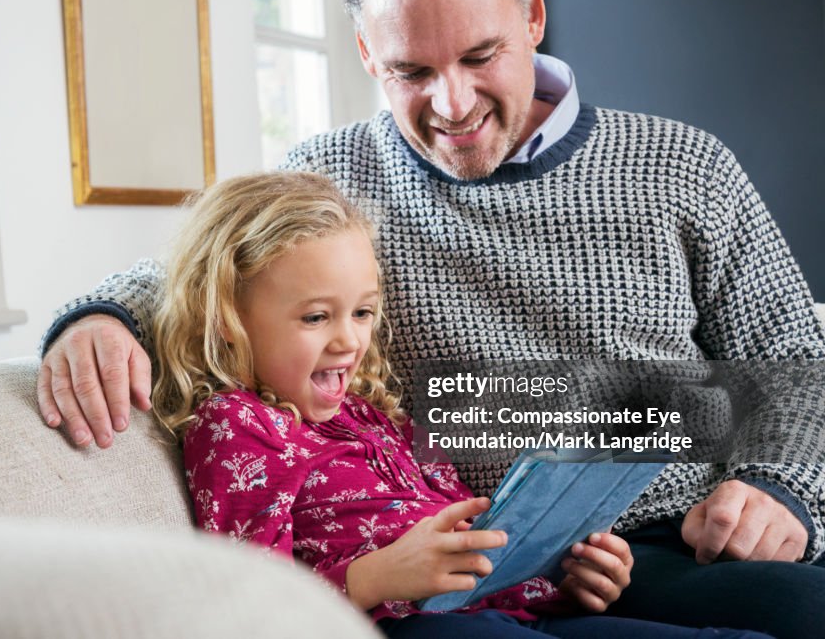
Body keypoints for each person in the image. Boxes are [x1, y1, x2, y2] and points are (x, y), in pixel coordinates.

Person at [36, 0, 825, 636]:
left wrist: (778, 488)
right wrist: (103, 315)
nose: (452, 105)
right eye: (411, 71)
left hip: (667, 544)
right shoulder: (334, 176)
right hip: (457, 572)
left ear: (533, 14)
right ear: (366, 53)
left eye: (481, 56)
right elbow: (212, 260)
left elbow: (796, 358)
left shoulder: (685, 167)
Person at [152, 169, 770, 638]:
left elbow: (474, 540)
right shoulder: (239, 424)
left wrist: (571, 576)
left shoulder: (375, 416)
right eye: (317, 317)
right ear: (228, 319)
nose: (349, 340)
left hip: (512, 612)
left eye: (363, 312)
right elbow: (249, 603)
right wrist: (379, 576)